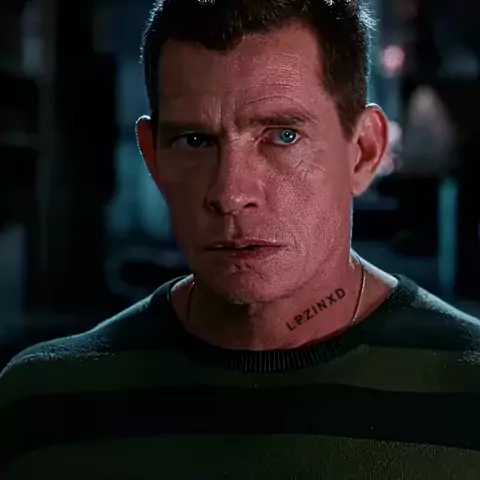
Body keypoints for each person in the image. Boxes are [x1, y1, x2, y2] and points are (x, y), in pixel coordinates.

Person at [1, 0, 480, 478]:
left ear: (363, 152)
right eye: (195, 140)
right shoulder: (43, 408)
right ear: (154, 158)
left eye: (283, 136)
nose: (230, 194)